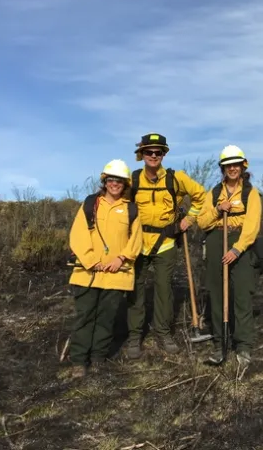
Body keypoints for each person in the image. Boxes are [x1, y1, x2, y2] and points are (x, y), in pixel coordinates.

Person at [127, 133, 206, 358]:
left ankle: (163, 333)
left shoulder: (175, 178)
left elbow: (200, 196)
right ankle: (134, 337)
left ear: (164, 154)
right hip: (137, 244)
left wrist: (187, 220)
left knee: (164, 290)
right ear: (141, 154)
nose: (153, 156)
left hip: (166, 243)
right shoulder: (132, 180)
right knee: (136, 291)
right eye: (149, 152)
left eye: (158, 152)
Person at [68, 159, 143, 378]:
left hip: (115, 275)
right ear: (105, 181)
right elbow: (78, 235)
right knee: (84, 317)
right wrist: (91, 260)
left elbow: (136, 241)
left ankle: (99, 358)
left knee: (106, 318)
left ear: (125, 184)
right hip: (87, 274)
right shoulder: (91, 204)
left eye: (119, 181)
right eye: (111, 180)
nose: (115, 184)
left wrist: (121, 258)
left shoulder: (130, 209)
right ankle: (79, 362)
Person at [197, 145, 262, 367]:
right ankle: (219, 343)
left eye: (236, 164)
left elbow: (252, 225)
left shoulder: (250, 192)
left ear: (243, 166)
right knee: (216, 294)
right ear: (222, 168)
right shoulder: (214, 192)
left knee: (242, 294)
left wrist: (237, 249)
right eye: (228, 165)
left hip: (240, 244)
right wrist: (218, 210)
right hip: (216, 241)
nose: (232, 168)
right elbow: (202, 222)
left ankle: (243, 345)